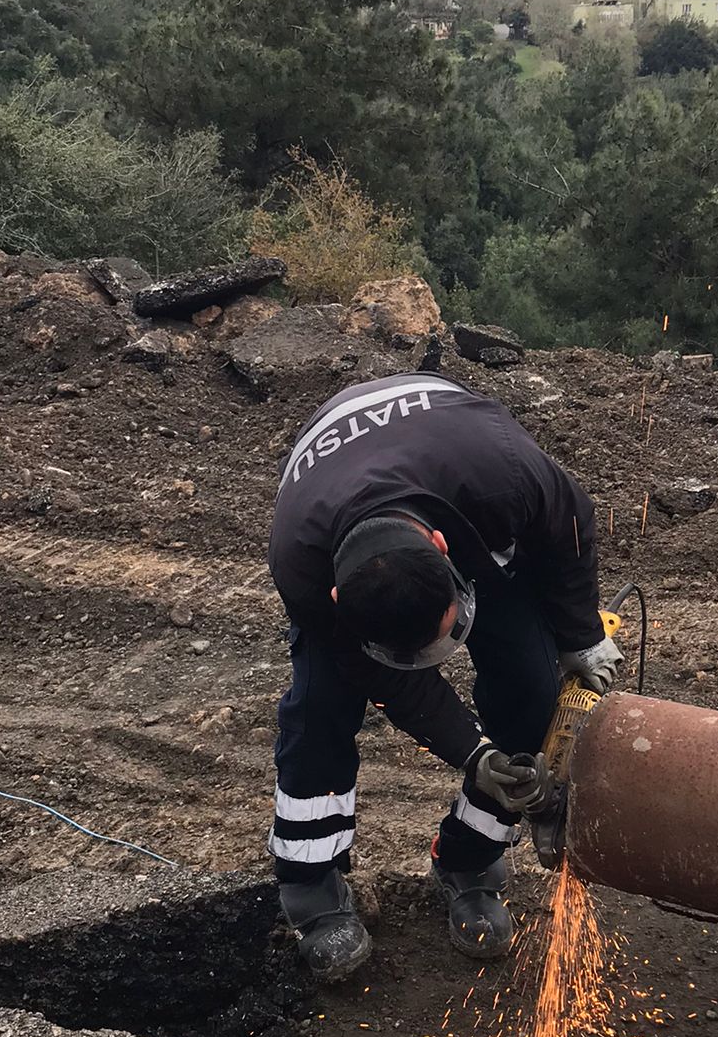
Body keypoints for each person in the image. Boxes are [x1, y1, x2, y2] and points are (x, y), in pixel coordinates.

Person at [267, 372, 623, 981]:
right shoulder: (300, 565)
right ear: (336, 598)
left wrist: (581, 636)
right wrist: (473, 752)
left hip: (455, 471)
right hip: (340, 491)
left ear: (442, 547)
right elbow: (387, 682)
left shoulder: (502, 473)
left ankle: (468, 861)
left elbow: (568, 524)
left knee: (533, 690)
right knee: (319, 711)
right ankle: (312, 893)